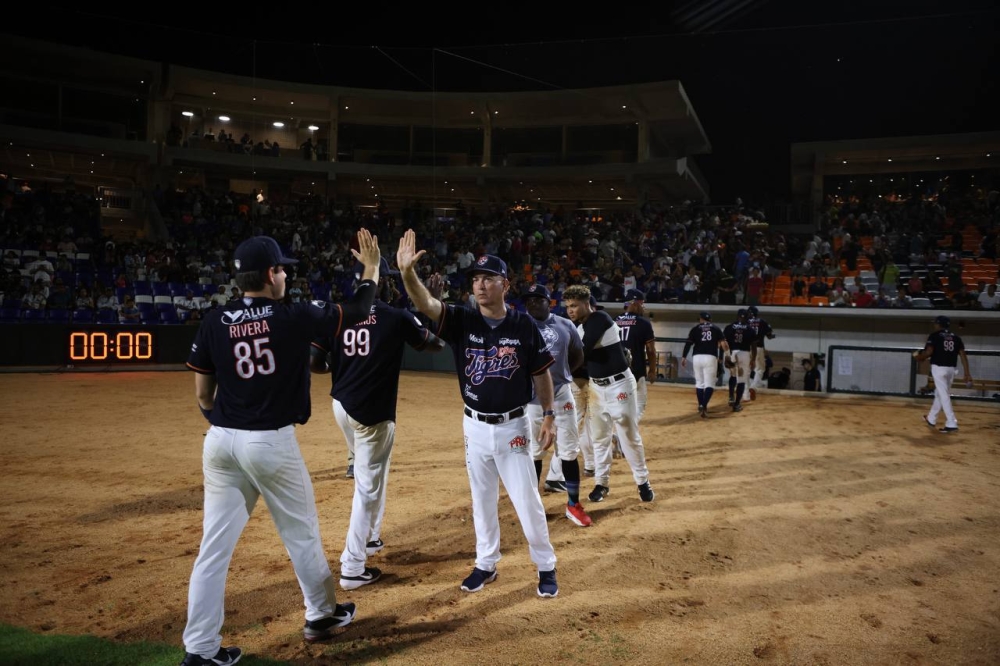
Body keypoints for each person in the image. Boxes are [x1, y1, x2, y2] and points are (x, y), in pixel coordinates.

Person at [179, 231, 382, 665]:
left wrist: (225, 427)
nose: (286, 274)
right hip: (269, 442)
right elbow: (361, 308)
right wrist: (371, 267)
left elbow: (202, 394)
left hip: (219, 443)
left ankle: (199, 649)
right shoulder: (291, 314)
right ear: (270, 275)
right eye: (282, 268)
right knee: (301, 534)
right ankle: (322, 615)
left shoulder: (215, 319)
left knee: (212, 549)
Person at [396, 230, 561, 598]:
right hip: (473, 425)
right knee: (481, 500)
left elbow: (541, 373)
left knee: (527, 501)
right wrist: (408, 274)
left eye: (488, 278)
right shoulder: (461, 320)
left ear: (505, 284)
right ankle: (486, 564)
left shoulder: (522, 326)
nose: (480, 285)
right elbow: (426, 303)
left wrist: (549, 414)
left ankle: (546, 566)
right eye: (475, 279)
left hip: (513, 426)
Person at [310, 256, 446, 592]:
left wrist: (346, 368)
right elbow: (434, 344)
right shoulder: (394, 316)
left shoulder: (337, 313)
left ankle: (370, 538)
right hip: (373, 414)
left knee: (372, 473)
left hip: (341, 405)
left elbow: (315, 362)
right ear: (383, 284)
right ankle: (353, 566)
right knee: (367, 487)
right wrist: (430, 309)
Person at [561, 284, 655, 504]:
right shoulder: (580, 326)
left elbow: (581, 353)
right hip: (597, 387)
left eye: (574, 305)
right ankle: (601, 484)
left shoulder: (600, 318)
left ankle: (642, 481)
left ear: (587, 304)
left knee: (628, 434)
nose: (570, 310)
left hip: (619, 385)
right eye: (567, 306)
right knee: (599, 438)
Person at [521, 283, 592, 527]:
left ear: (549, 301)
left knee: (570, 451)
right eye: (528, 300)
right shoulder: (520, 326)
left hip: (562, 396)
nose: (531, 304)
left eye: (537, 299)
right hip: (531, 400)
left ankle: (573, 504)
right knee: (534, 453)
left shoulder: (565, 325)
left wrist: (560, 376)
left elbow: (578, 355)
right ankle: (533, 506)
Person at [913, 315, 972, 433]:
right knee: (940, 394)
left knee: (944, 395)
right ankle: (931, 418)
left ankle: (951, 422)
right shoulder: (956, 337)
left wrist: (919, 358)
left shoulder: (935, 336)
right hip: (951, 369)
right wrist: (967, 373)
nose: (934, 325)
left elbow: (929, 352)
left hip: (939, 368)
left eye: (935, 323)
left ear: (938, 324)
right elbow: (963, 355)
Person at [614, 289, 657, 437]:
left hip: (615, 371)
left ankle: (620, 434)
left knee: (620, 405)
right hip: (636, 370)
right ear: (633, 303)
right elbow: (651, 350)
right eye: (641, 303)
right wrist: (652, 369)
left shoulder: (613, 321)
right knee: (639, 404)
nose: (643, 306)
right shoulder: (643, 323)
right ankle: (623, 435)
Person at [680, 311, 729, 417]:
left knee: (699, 383)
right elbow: (724, 344)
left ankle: (701, 406)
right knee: (709, 384)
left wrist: (684, 357)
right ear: (710, 320)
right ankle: (703, 405)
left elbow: (688, 344)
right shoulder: (716, 328)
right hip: (710, 357)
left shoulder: (695, 328)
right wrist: (727, 356)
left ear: (701, 319)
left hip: (697, 357)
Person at [723, 309, 756, 413]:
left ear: (737, 316)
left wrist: (726, 356)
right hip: (744, 354)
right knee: (741, 379)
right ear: (746, 317)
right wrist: (753, 359)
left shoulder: (729, 327)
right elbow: (753, 346)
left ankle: (731, 397)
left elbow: (724, 343)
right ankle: (737, 404)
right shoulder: (750, 329)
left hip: (732, 352)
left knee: (733, 375)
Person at [745, 305, 775, 401]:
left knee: (747, 370)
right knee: (760, 369)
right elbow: (770, 335)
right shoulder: (762, 322)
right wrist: (772, 335)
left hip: (746, 348)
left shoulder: (745, 322)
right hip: (758, 348)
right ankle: (753, 387)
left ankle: (745, 393)